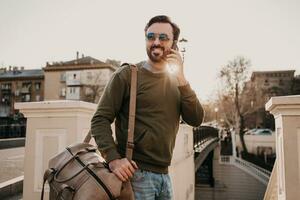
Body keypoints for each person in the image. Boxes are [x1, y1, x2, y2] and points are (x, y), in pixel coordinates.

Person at [91, 15, 204, 200]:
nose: (156, 42)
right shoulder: (127, 75)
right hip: (134, 176)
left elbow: (196, 119)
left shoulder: (178, 82)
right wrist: (113, 159)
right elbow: (99, 119)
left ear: (174, 44)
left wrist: (182, 80)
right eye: (151, 37)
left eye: (163, 38)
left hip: (165, 177)